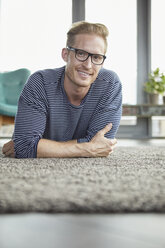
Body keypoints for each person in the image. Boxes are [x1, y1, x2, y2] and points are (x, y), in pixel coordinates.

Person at [2, 21, 122, 158]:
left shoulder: (110, 83)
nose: (88, 65)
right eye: (81, 53)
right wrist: (86, 148)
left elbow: (101, 144)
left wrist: (39, 147)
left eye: (96, 57)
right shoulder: (40, 82)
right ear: (65, 54)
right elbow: (25, 147)